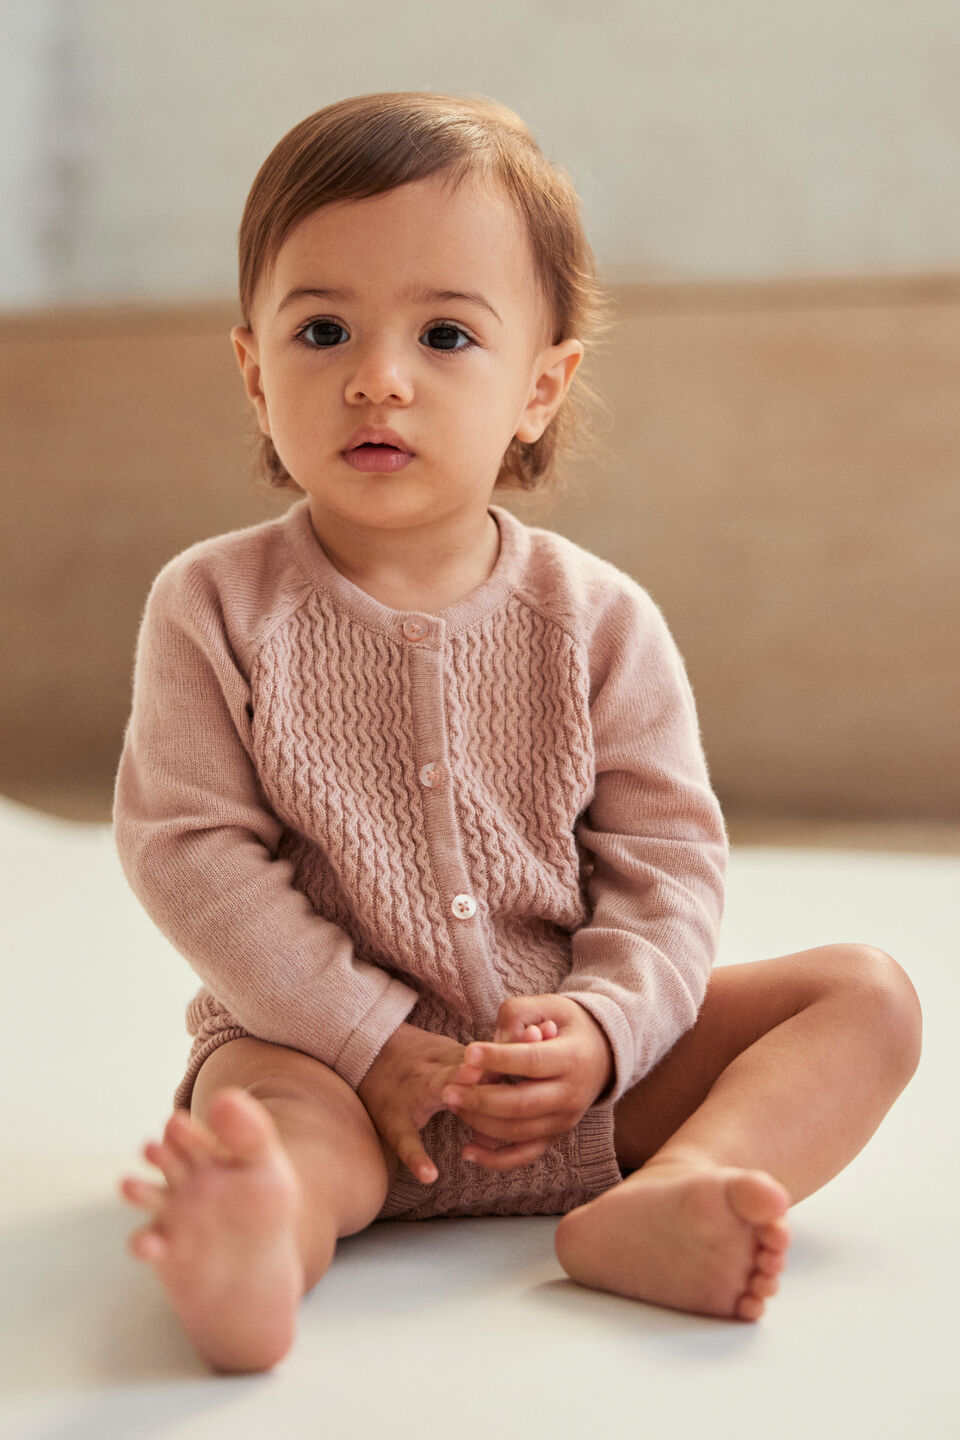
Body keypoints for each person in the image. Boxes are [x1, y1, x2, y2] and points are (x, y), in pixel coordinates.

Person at [114, 91, 922, 1375]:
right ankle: (266, 1241)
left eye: (445, 334)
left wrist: (604, 1030)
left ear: (542, 387)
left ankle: (673, 1193)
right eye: (323, 330)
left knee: (865, 997)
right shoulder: (214, 604)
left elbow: (668, 866)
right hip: (326, 1068)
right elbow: (189, 854)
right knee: (267, 1126)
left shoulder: (599, 620)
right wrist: (367, 1039)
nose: (378, 376)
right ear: (256, 371)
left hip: (580, 1080)